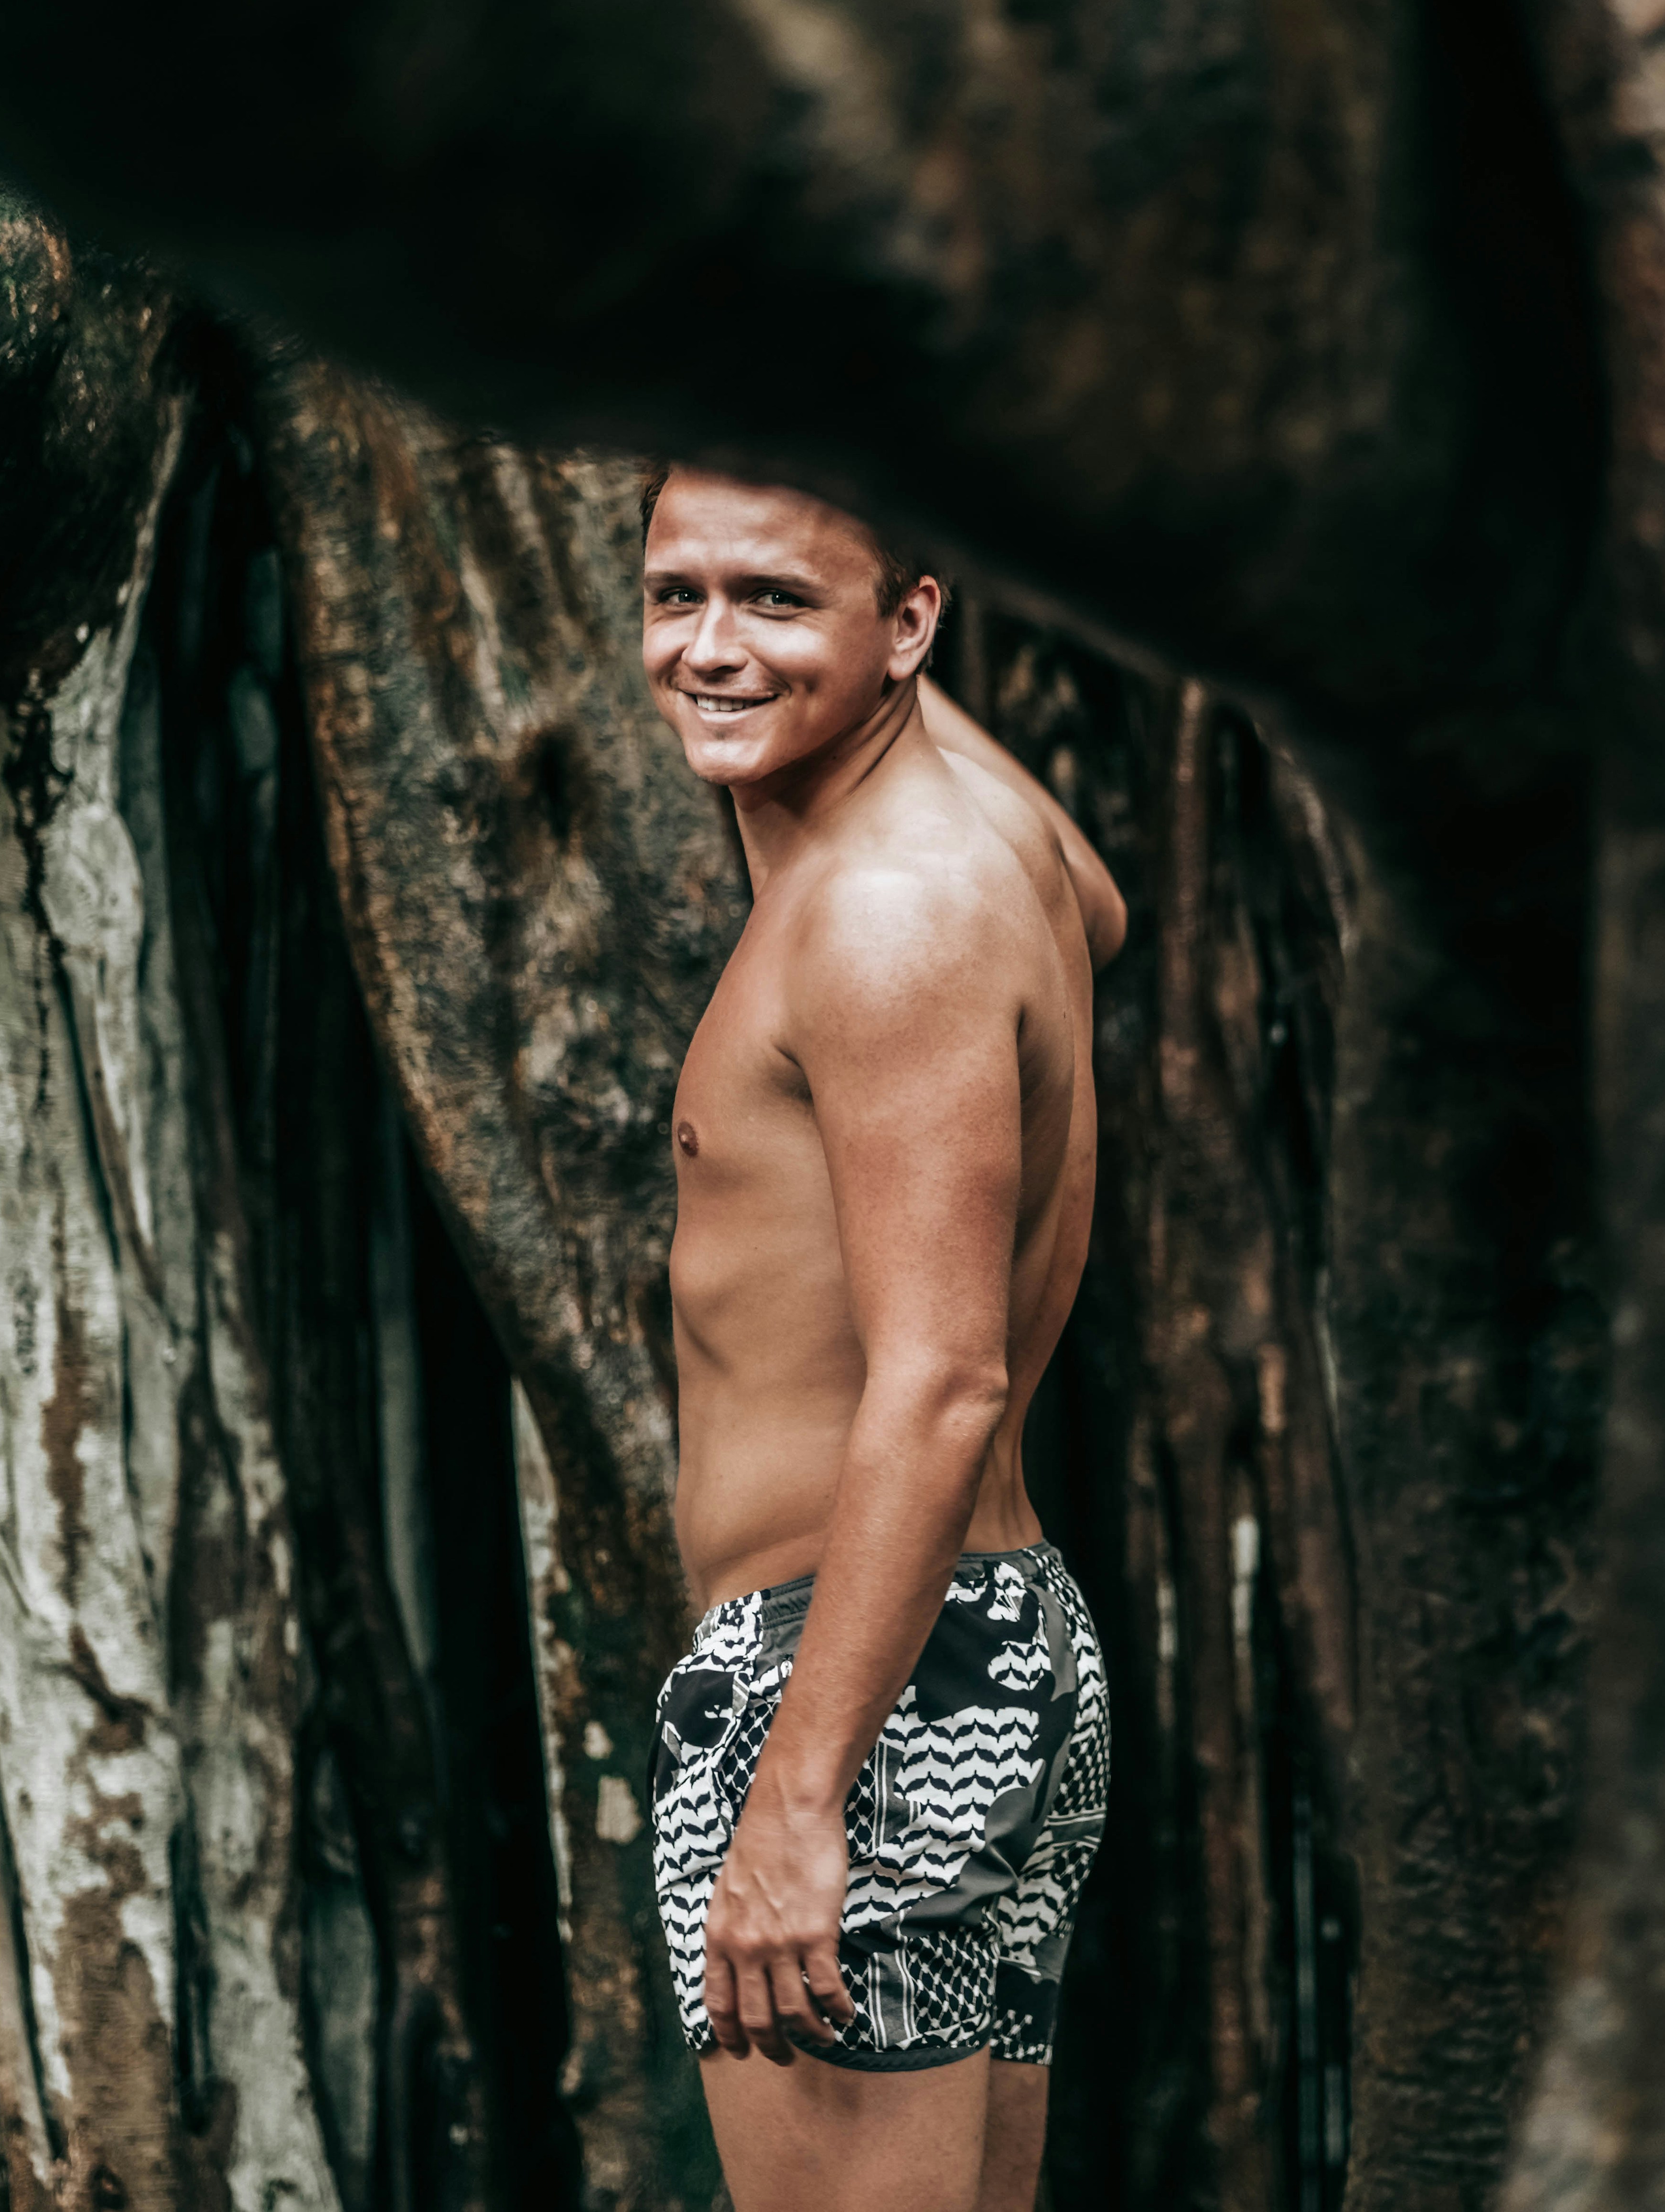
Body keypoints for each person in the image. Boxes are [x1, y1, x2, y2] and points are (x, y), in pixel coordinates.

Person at [637, 465, 1126, 2212]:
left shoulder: (883, 915)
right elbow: (1105, 898)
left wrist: (796, 1795)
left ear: (911, 622)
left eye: (773, 598)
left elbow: (942, 1376)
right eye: (672, 592)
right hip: (976, 1646)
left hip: (858, 1678)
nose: (706, 648)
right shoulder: (993, 850)